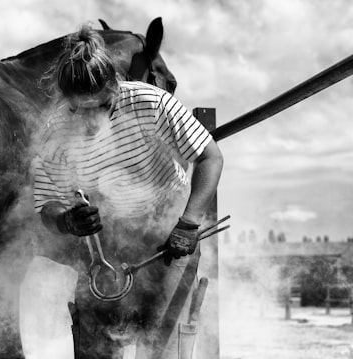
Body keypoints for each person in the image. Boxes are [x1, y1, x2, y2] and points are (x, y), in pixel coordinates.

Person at [32, 24, 223, 359]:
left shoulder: (152, 103)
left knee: (162, 351)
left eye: (101, 106)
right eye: (80, 109)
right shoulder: (55, 132)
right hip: (103, 253)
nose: (91, 119)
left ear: (115, 87)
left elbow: (210, 157)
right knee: (95, 351)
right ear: (67, 101)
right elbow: (47, 206)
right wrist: (66, 222)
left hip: (168, 242)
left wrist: (189, 223)